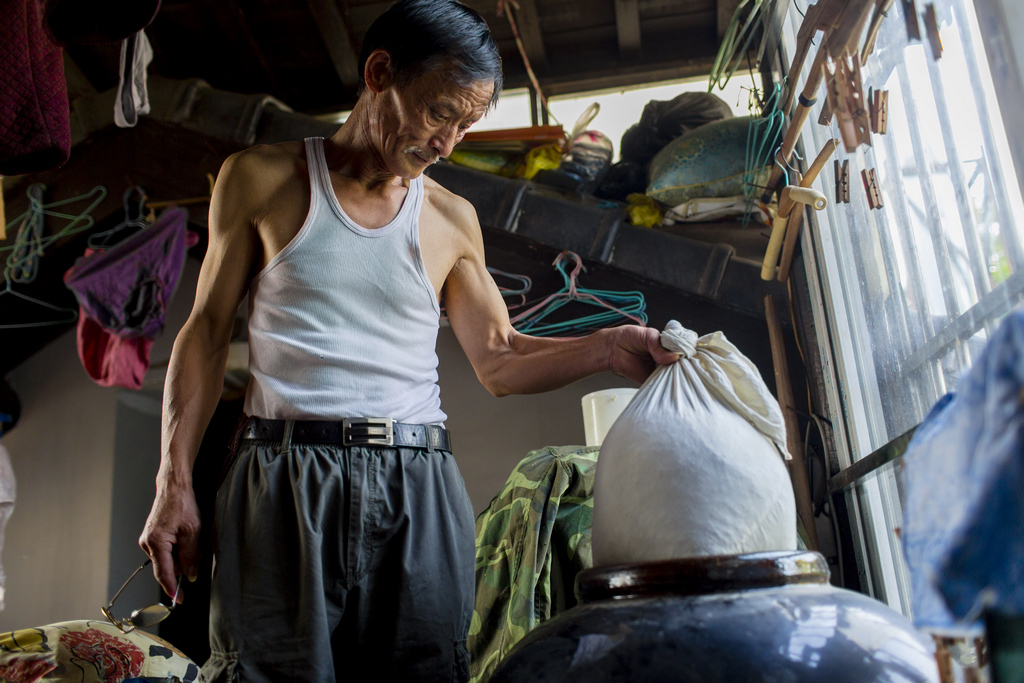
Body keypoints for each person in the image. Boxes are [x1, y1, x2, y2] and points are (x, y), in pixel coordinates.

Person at [138, 0, 679, 680]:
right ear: (379, 73)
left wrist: (606, 345)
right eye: (438, 112)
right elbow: (206, 331)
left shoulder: (453, 218)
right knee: (265, 671)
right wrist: (173, 480)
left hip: (416, 479)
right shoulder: (262, 178)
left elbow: (500, 358)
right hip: (283, 475)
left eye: (467, 124)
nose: (449, 142)